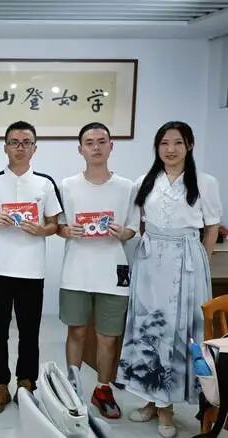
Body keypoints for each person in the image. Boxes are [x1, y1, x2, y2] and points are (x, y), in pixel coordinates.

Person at [117, 121, 222, 438]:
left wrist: (202, 261)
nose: (171, 149)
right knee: (149, 327)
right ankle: (151, 399)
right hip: (150, 260)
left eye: (178, 142)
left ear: (189, 145)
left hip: (186, 261)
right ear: (157, 147)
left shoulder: (205, 182)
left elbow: (212, 226)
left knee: (177, 332)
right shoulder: (144, 181)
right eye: (164, 143)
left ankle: (167, 408)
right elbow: (136, 224)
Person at [0, 121, 62, 414]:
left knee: (29, 330)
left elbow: (55, 224)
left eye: (26, 142)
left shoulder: (45, 183)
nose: (20, 147)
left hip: (31, 270)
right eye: (14, 142)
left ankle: (26, 383)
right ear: (5, 147)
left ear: (35, 148)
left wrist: (42, 230)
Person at [57, 122, 139, 420]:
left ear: (111, 146)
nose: (96, 147)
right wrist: (68, 230)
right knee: (76, 331)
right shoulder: (67, 185)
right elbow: (58, 226)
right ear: (80, 149)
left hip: (114, 271)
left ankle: (103, 389)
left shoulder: (127, 187)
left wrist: (123, 233)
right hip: (76, 269)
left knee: (108, 336)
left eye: (102, 141)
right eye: (89, 142)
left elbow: (133, 227)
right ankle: (73, 388)